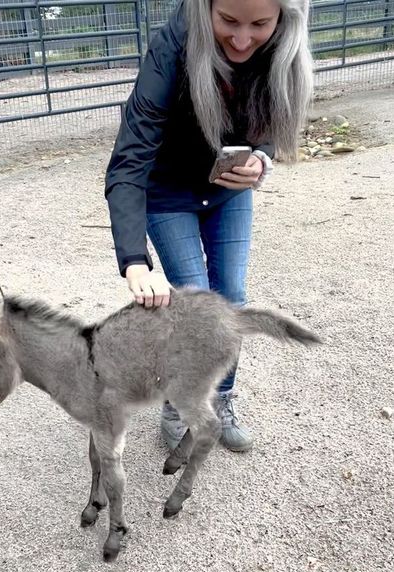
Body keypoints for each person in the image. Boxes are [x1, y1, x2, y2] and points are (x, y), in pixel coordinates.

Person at [105, 0, 312, 452]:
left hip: (226, 191)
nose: (242, 39)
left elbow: (270, 122)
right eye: (228, 21)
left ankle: (219, 399)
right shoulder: (171, 47)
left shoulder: (281, 45)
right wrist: (134, 261)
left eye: (259, 24)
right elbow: (129, 160)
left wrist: (262, 158)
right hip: (168, 193)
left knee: (232, 298)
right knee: (196, 302)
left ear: (282, 18)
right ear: (206, 8)